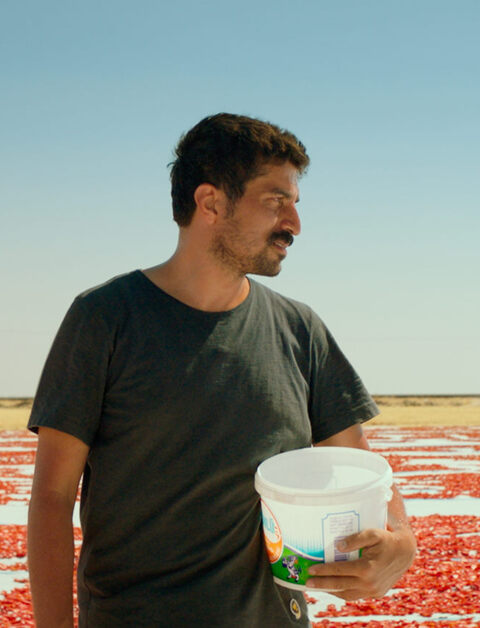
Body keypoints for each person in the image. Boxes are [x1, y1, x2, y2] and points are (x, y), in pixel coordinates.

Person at [27, 113, 416, 627]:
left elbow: (363, 468)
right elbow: (52, 499)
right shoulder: (105, 318)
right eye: (275, 201)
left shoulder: (300, 329)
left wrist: (401, 541)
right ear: (210, 202)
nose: (294, 224)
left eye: (295, 204)